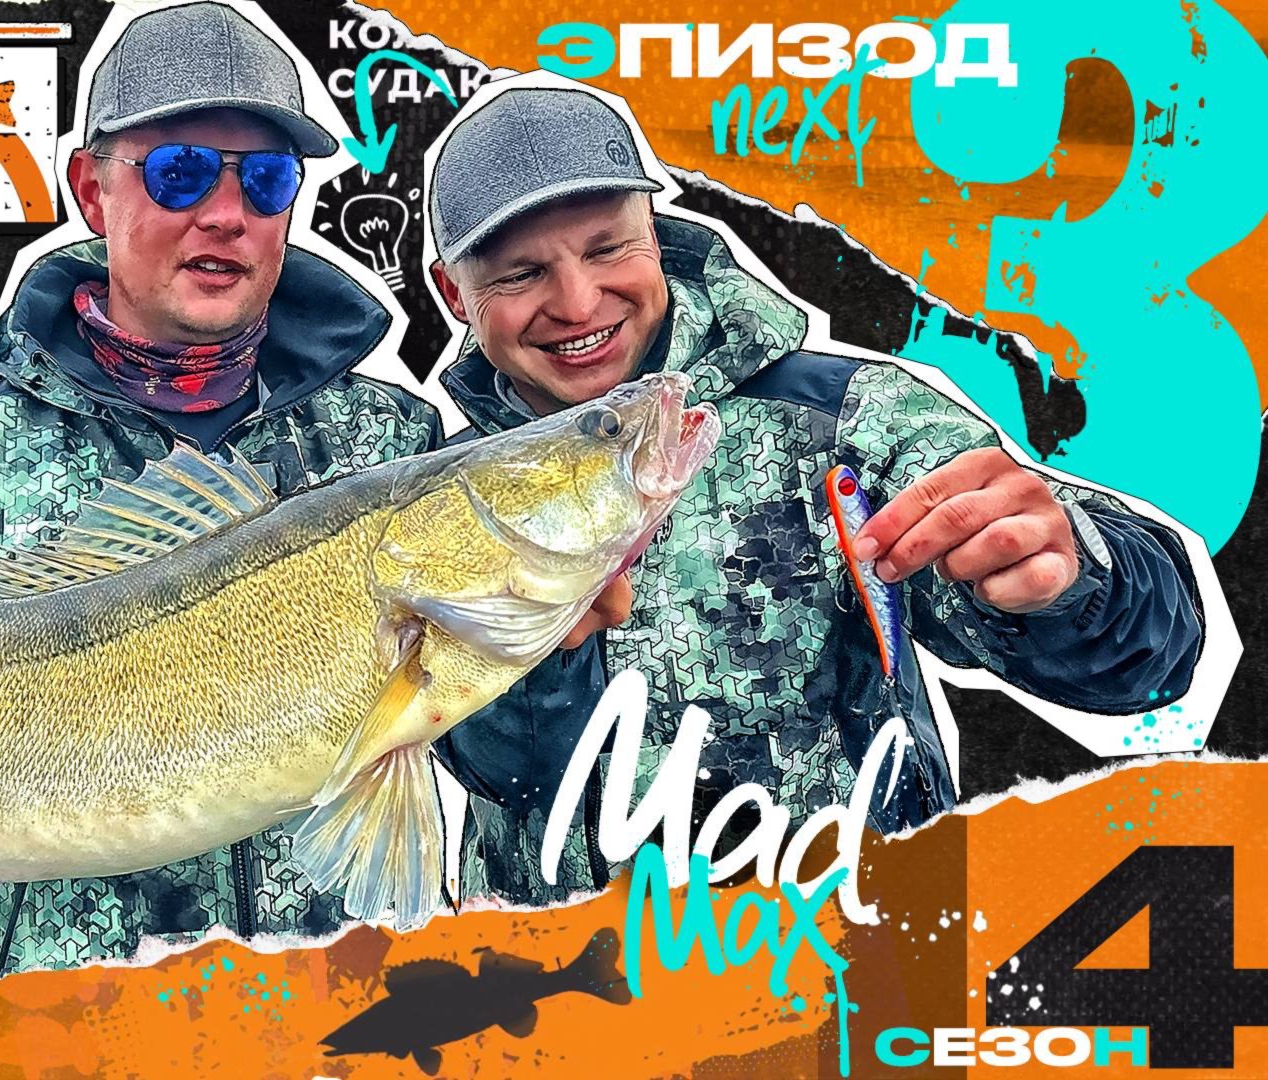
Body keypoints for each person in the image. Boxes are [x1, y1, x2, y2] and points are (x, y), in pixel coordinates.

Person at [0, 4, 625, 993]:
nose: (226, 212)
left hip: (348, 1023)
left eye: (266, 179)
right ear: (91, 191)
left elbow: (513, 777)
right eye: (181, 171)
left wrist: (555, 659)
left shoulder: (391, 446)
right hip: (70, 1033)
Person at [421, 85, 1206, 905]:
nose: (579, 302)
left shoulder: (845, 424)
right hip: (541, 974)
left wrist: (1070, 577)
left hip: (839, 954)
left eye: (608, 248)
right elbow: (488, 769)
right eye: (522, 273)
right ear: (452, 293)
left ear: (654, 233)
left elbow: (1142, 664)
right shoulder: (430, 504)